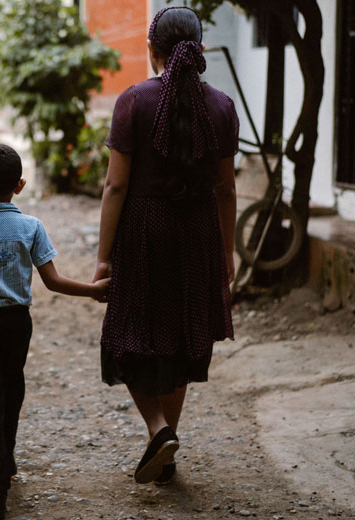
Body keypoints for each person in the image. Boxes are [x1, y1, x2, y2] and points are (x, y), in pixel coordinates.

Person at [92, 7, 238, 486]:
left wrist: (102, 256)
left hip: (144, 230)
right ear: (198, 49)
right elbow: (226, 189)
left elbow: (115, 187)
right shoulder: (220, 105)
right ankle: (167, 451)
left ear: (152, 49)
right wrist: (227, 254)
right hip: (198, 232)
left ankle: (159, 431)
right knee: (181, 336)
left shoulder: (133, 101)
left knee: (124, 334)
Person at [0, 143, 110, 519]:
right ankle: (5, 460)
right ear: (21, 185)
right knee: (11, 390)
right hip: (17, 324)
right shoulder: (31, 227)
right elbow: (54, 281)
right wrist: (93, 290)